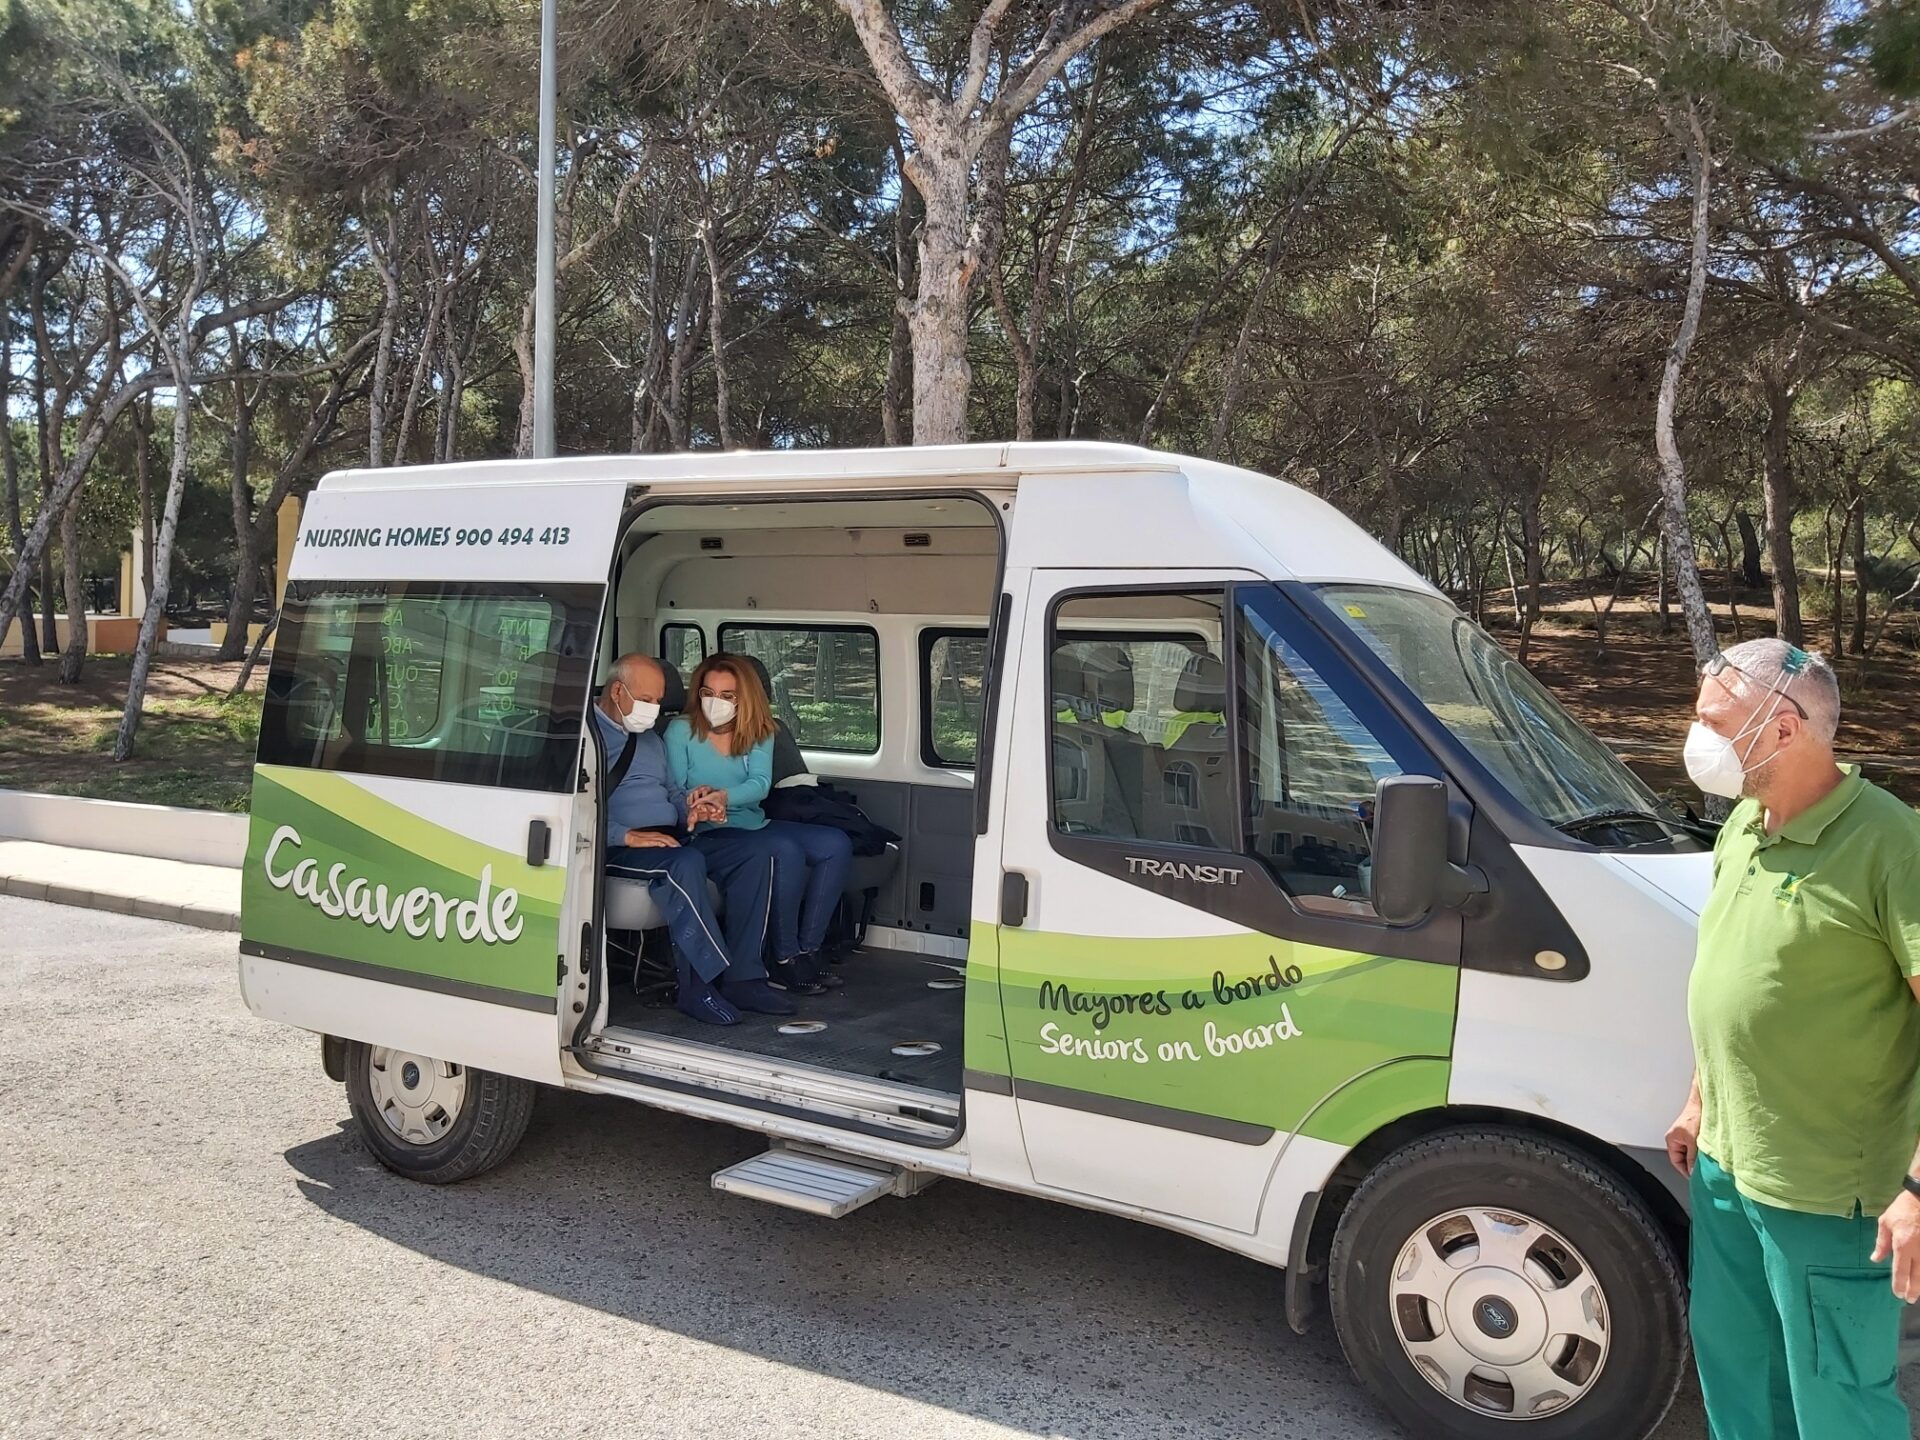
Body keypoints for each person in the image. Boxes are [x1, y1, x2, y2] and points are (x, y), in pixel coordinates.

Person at [1666, 637, 1920, 1440]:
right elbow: (1731, 978)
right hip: (1727, 1169)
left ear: (1783, 730)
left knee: (1837, 1405)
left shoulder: (1893, 844)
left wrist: (1918, 1189)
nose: (1696, 735)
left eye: (1716, 720)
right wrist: (1700, 1098)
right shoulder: (1743, 822)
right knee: (1739, 1379)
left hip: (1828, 1192)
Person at [595, 654, 794, 1025]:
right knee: (685, 863)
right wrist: (626, 835)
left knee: (755, 853)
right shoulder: (585, 737)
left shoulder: (648, 741)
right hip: (617, 845)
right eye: (647, 701)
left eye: (658, 701)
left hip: (673, 837)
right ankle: (698, 987)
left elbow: (671, 790)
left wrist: (692, 809)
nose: (654, 710)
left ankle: (744, 977)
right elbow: (574, 807)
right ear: (618, 691)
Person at [665, 654, 853, 995]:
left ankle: (806, 951)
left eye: (727, 696)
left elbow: (760, 785)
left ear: (745, 698)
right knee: (784, 849)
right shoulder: (681, 730)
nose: (715, 703)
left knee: (836, 845)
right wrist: (701, 802)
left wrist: (725, 798)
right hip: (705, 830)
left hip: (751, 821)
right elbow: (676, 788)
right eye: (708, 693)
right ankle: (782, 960)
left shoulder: (759, 731)